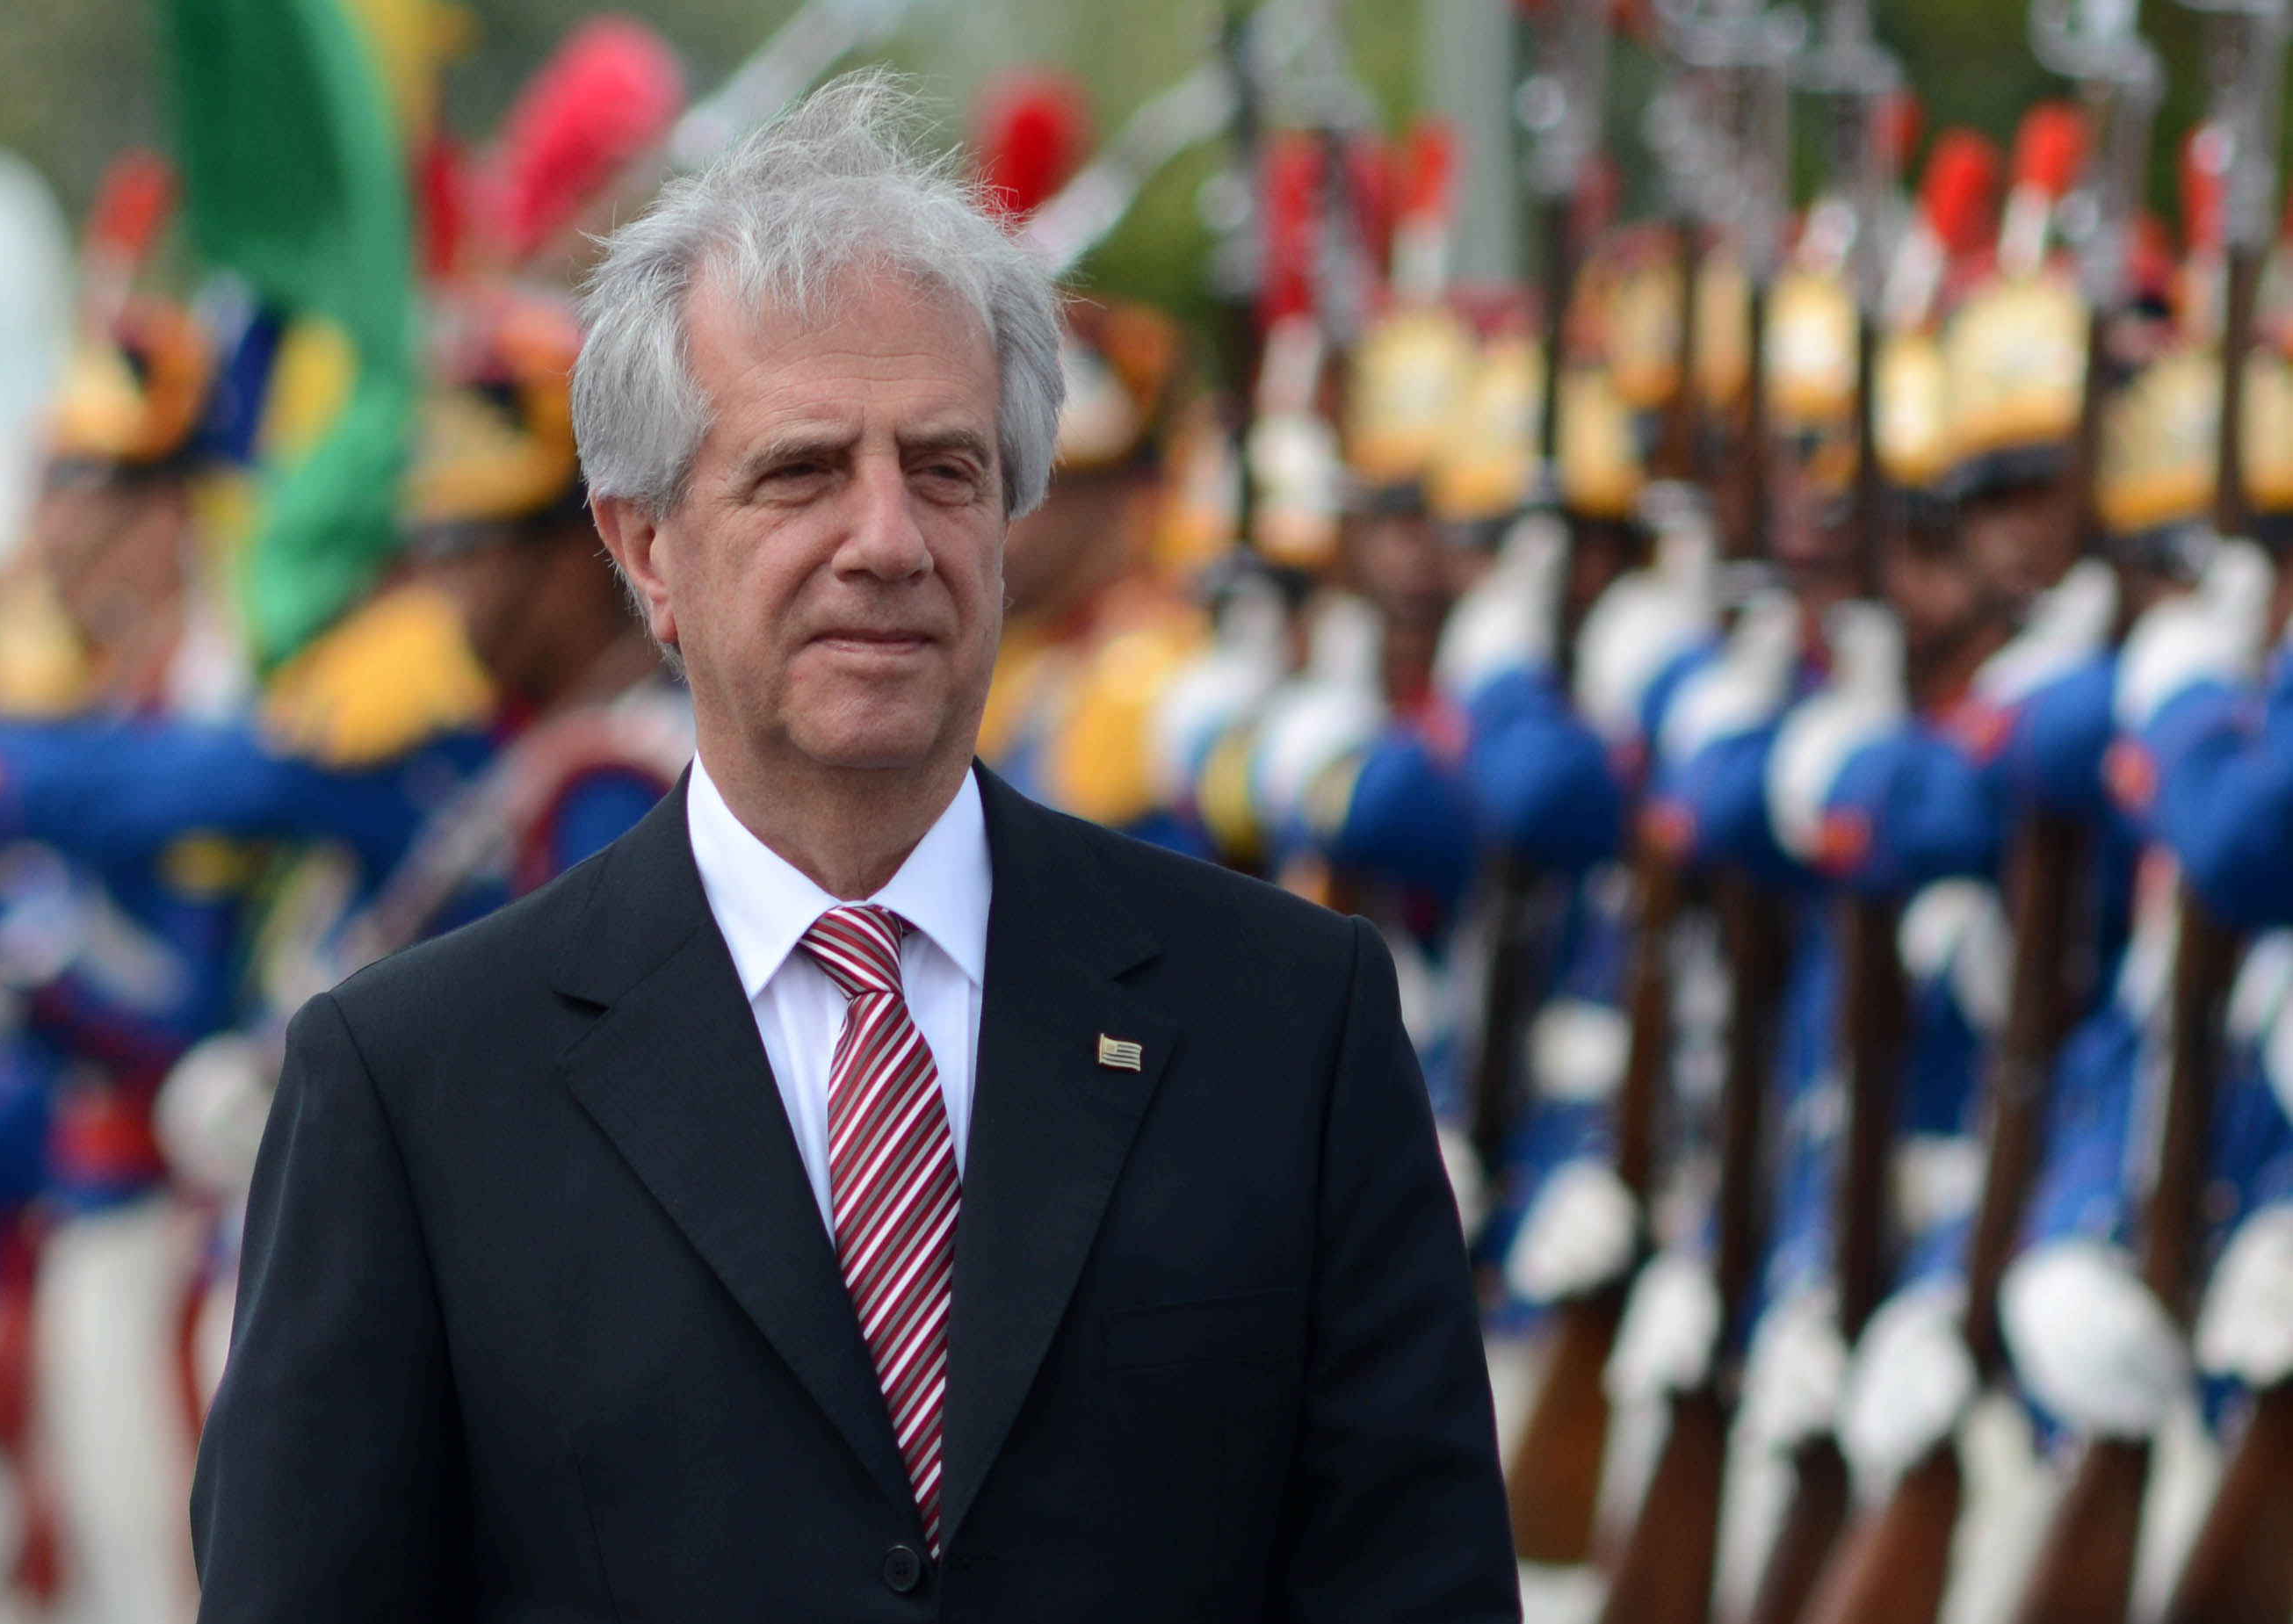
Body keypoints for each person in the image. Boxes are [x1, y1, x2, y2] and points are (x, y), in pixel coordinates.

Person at [192, 73, 1517, 1623]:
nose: (886, 540)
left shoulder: (1290, 1025)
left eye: (945, 469)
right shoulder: (411, 1087)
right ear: (643, 546)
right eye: (801, 470)